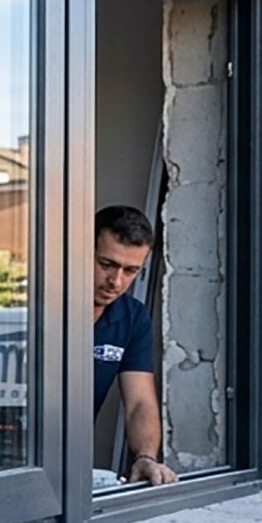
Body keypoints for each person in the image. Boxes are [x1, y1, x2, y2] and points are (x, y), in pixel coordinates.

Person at [94, 204, 179, 486]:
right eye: (106, 265)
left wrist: (145, 457)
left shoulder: (132, 318)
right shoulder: (39, 306)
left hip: (69, 461)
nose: (115, 281)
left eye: (130, 271)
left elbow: (139, 401)